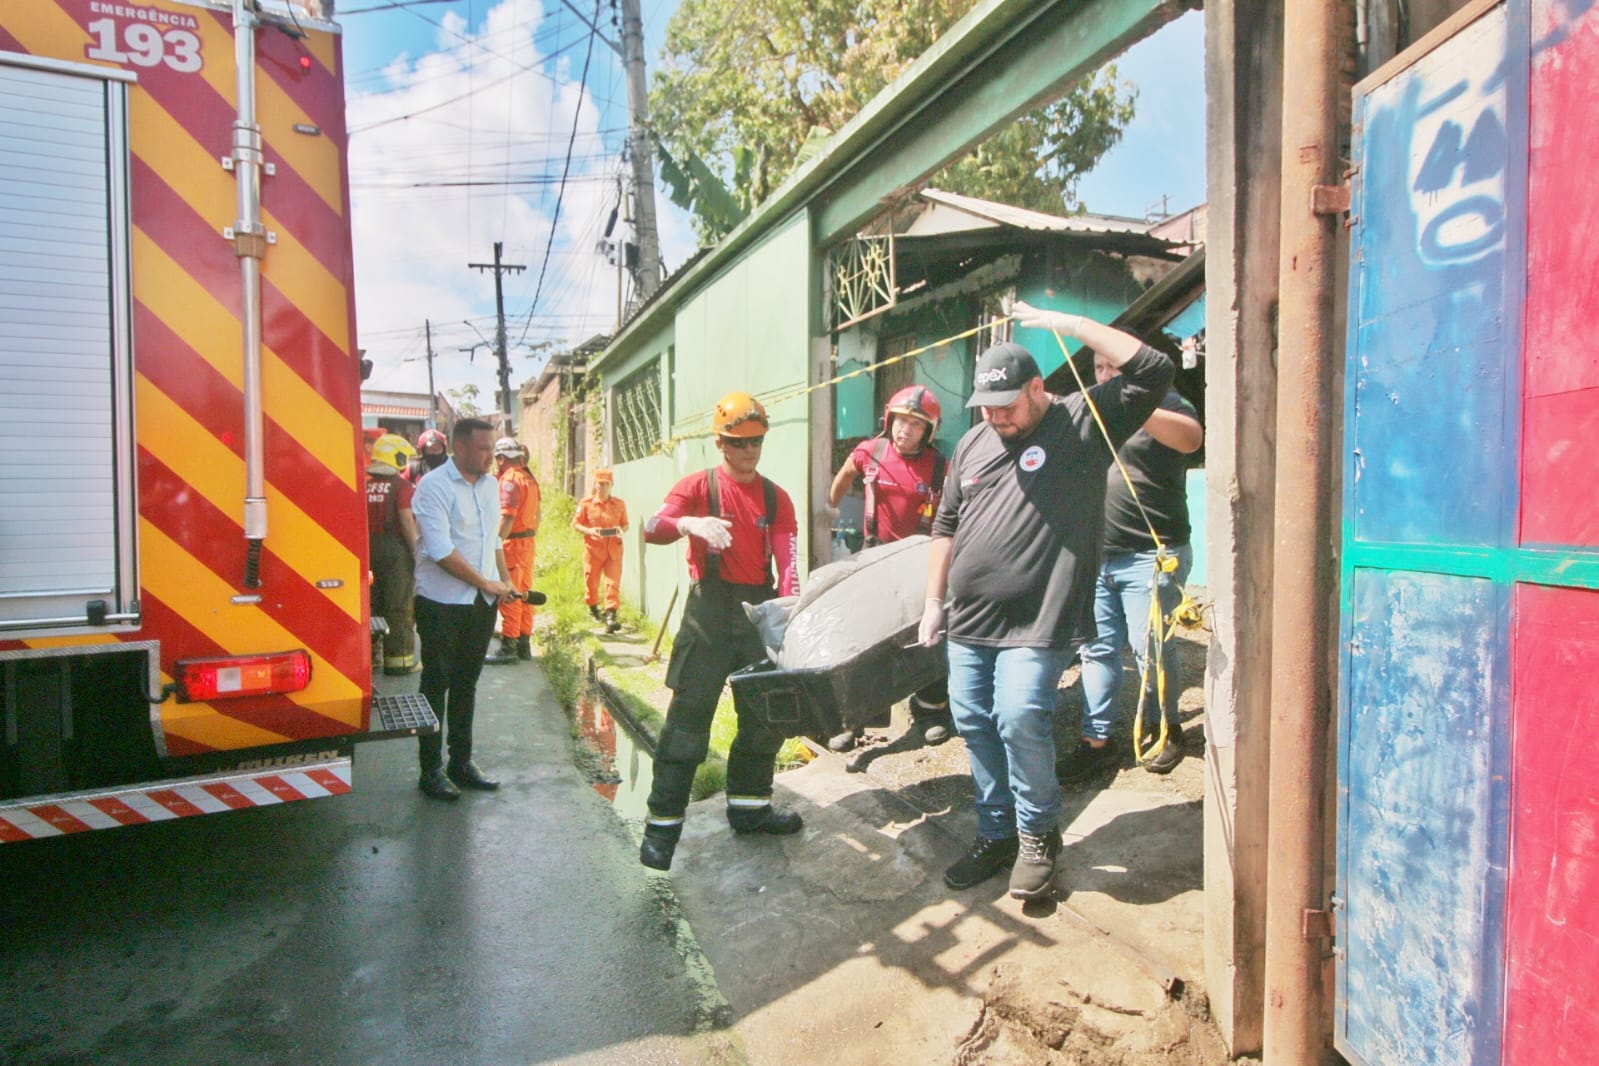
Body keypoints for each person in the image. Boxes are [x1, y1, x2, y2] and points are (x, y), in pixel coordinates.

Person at [920, 303, 1173, 900]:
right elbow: (946, 526)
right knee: (974, 722)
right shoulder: (976, 443)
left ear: (1039, 388)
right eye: (986, 407)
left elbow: (1154, 370)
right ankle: (996, 831)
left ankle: (1037, 835)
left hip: (1041, 618)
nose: (996, 418)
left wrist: (1069, 325)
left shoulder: (1081, 424)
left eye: (1007, 406)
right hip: (969, 622)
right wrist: (934, 600)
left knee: (1018, 716)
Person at [637, 391, 803, 871]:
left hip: (757, 611)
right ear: (720, 443)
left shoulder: (776, 497)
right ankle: (661, 830)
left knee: (762, 719)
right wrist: (689, 522)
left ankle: (750, 810)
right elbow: (652, 526)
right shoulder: (697, 486)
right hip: (709, 610)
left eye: (756, 441)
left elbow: (787, 560)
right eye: (739, 442)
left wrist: (788, 606)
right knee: (687, 725)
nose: (749, 450)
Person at [1062, 358, 1203, 782]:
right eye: (1099, 368)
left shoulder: (1172, 404)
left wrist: (1131, 406)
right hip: (1097, 554)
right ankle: (1097, 741)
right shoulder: (1091, 408)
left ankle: (1167, 729)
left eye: (1114, 366)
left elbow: (1190, 441)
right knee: (1096, 649)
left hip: (1151, 554)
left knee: (1153, 651)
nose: (1105, 375)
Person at [824, 384, 954, 750]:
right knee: (863, 638)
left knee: (927, 635)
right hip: (873, 557)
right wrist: (830, 509)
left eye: (915, 424)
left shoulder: (940, 466)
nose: (905, 429)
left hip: (919, 559)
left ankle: (931, 711)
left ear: (928, 430)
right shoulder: (871, 451)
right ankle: (858, 718)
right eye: (900, 421)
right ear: (889, 419)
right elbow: (845, 474)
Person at [410, 418, 514, 801]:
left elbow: (493, 542)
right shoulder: (433, 488)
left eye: (492, 448)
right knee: (436, 684)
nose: (491, 456)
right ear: (459, 448)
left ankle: (461, 762)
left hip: (480, 603)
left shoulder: (489, 486)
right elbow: (439, 550)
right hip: (441, 603)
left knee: (467, 683)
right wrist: (485, 582)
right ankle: (430, 770)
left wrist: (505, 581)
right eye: (484, 448)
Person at [366, 433, 421, 676]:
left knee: (371, 605)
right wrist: (417, 552)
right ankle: (399, 661)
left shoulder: (364, 485)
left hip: (367, 552)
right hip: (395, 553)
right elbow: (407, 521)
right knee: (398, 606)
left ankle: (370, 658)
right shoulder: (402, 486)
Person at [485, 438, 540, 665]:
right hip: (527, 543)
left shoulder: (509, 481)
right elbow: (538, 516)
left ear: (501, 458)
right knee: (525, 594)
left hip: (512, 545)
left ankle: (509, 644)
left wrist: (494, 544)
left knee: (510, 595)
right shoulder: (530, 479)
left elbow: (507, 516)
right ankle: (523, 643)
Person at [572, 469, 629, 633]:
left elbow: (626, 524)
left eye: (606, 484)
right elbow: (575, 523)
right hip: (593, 550)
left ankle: (611, 614)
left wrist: (620, 529)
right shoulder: (586, 504)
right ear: (595, 485)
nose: (603, 487)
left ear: (612, 485)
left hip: (614, 550)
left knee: (612, 583)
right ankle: (593, 607)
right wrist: (589, 531)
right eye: (600, 484)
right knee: (591, 581)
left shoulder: (619, 504)